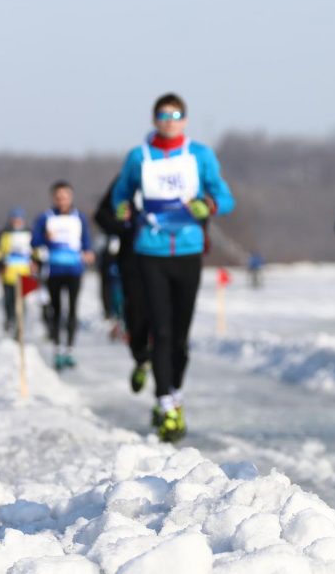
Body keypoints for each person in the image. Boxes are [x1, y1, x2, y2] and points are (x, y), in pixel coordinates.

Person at [112, 93, 235, 442]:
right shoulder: (139, 157)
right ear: (154, 120)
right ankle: (166, 404)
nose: (169, 120)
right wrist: (122, 210)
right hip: (149, 251)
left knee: (180, 337)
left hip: (188, 249)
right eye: (163, 115)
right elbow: (120, 195)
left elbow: (226, 198)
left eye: (176, 115)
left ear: (185, 120)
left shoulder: (199, 155)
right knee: (162, 332)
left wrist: (208, 205)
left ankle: (173, 392)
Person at [94, 175, 152, 394]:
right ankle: (141, 359)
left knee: (166, 326)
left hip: (168, 259)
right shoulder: (126, 181)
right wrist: (122, 225)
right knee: (137, 317)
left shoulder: (179, 174)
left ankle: (167, 397)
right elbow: (101, 215)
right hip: (133, 260)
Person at [31, 181, 94, 370]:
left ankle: (70, 349)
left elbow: (86, 241)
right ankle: (58, 348)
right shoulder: (45, 218)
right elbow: (34, 241)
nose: (62, 200)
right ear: (53, 198)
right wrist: (44, 239)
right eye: (58, 197)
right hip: (54, 269)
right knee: (56, 310)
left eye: (65, 196)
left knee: (73, 309)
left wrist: (88, 252)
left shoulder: (79, 217)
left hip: (74, 269)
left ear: (71, 197)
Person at [0, 208, 33, 336]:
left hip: (26, 273)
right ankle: (10, 321)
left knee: (22, 301)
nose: (16, 221)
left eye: (19, 218)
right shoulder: (2, 234)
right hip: (7, 273)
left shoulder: (30, 233)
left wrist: (36, 263)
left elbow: (36, 251)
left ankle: (20, 325)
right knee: (9, 300)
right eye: (14, 218)